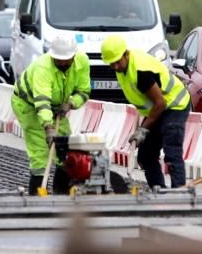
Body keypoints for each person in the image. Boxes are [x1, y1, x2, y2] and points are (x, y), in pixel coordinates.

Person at [101, 35, 191, 189]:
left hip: (174, 105)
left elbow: (160, 103)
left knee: (172, 151)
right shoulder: (123, 66)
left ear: (126, 54)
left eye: (117, 62)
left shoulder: (141, 72)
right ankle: (158, 190)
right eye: (111, 63)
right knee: (146, 155)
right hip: (157, 110)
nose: (115, 66)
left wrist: (143, 129)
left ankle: (179, 192)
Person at [11, 35, 91, 195]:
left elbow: (84, 91)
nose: (61, 62)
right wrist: (48, 127)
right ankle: (37, 194)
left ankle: (61, 192)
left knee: (65, 147)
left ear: (74, 56)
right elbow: (42, 101)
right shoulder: (43, 68)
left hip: (55, 107)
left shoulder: (82, 62)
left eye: (65, 60)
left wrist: (70, 104)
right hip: (28, 105)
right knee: (41, 152)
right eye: (57, 59)